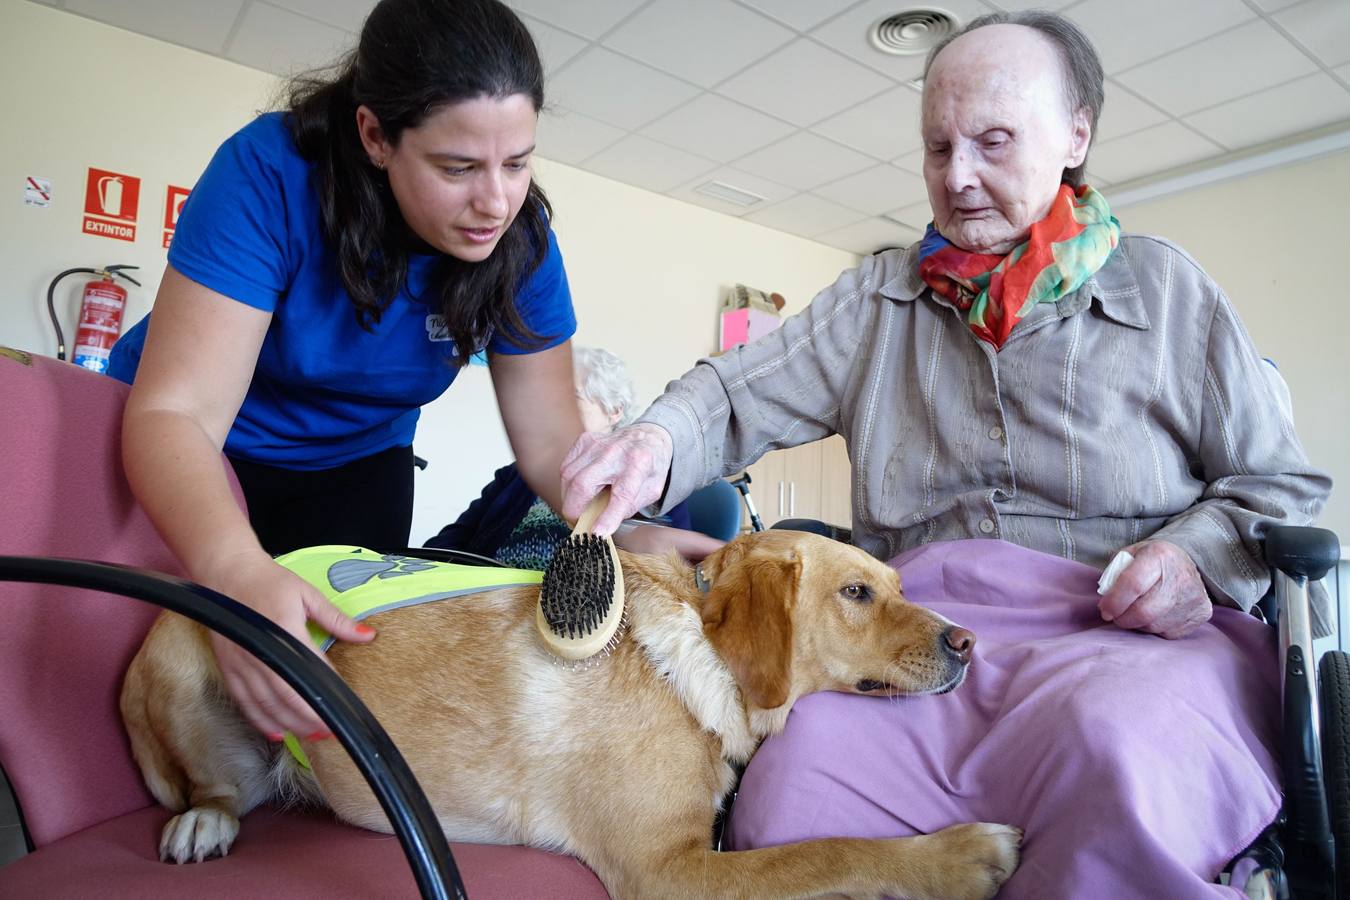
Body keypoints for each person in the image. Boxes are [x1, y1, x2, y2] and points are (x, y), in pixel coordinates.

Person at [560, 11, 1332, 898]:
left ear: (1075, 134)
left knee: (1114, 762)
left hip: (1131, 640)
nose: (957, 177)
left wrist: (1196, 561)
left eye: (993, 142)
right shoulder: (875, 301)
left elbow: (1276, 484)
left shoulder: (1167, 291)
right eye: (937, 148)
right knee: (788, 799)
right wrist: (654, 439)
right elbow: (736, 392)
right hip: (920, 640)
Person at [112, 0, 589, 744]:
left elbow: (554, 443)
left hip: (357, 462)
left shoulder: (521, 244)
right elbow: (177, 415)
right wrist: (234, 569)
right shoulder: (267, 174)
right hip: (194, 449)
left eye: (518, 163)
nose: (494, 201)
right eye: (457, 167)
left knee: (323, 692)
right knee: (146, 680)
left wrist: (615, 530)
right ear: (374, 135)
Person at [426, 346, 724, 568]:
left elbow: (671, 570)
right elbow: (449, 544)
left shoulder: (648, 477)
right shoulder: (517, 474)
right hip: (487, 607)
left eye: (571, 397)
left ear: (614, 410)